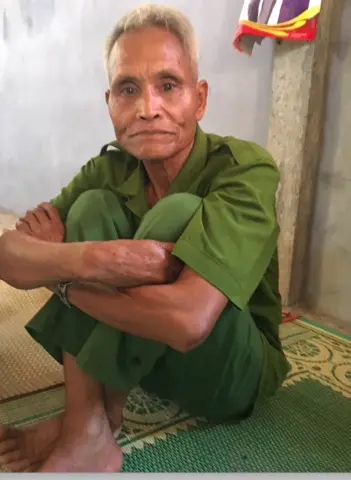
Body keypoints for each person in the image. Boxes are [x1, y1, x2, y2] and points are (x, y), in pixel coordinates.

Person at [0, 4, 289, 473]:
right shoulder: (110, 168)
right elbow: (9, 256)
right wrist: (95, 258)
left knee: (177, 212)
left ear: (200, 99)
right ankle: (88, 425)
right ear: (109, 102)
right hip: (147, 364)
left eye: (168, 86)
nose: (148, 108)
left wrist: (63, 279)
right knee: (93, 208)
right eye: (128, 89)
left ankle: (86, 418)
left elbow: (187, 323)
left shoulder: (244, 169)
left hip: (226, 375)